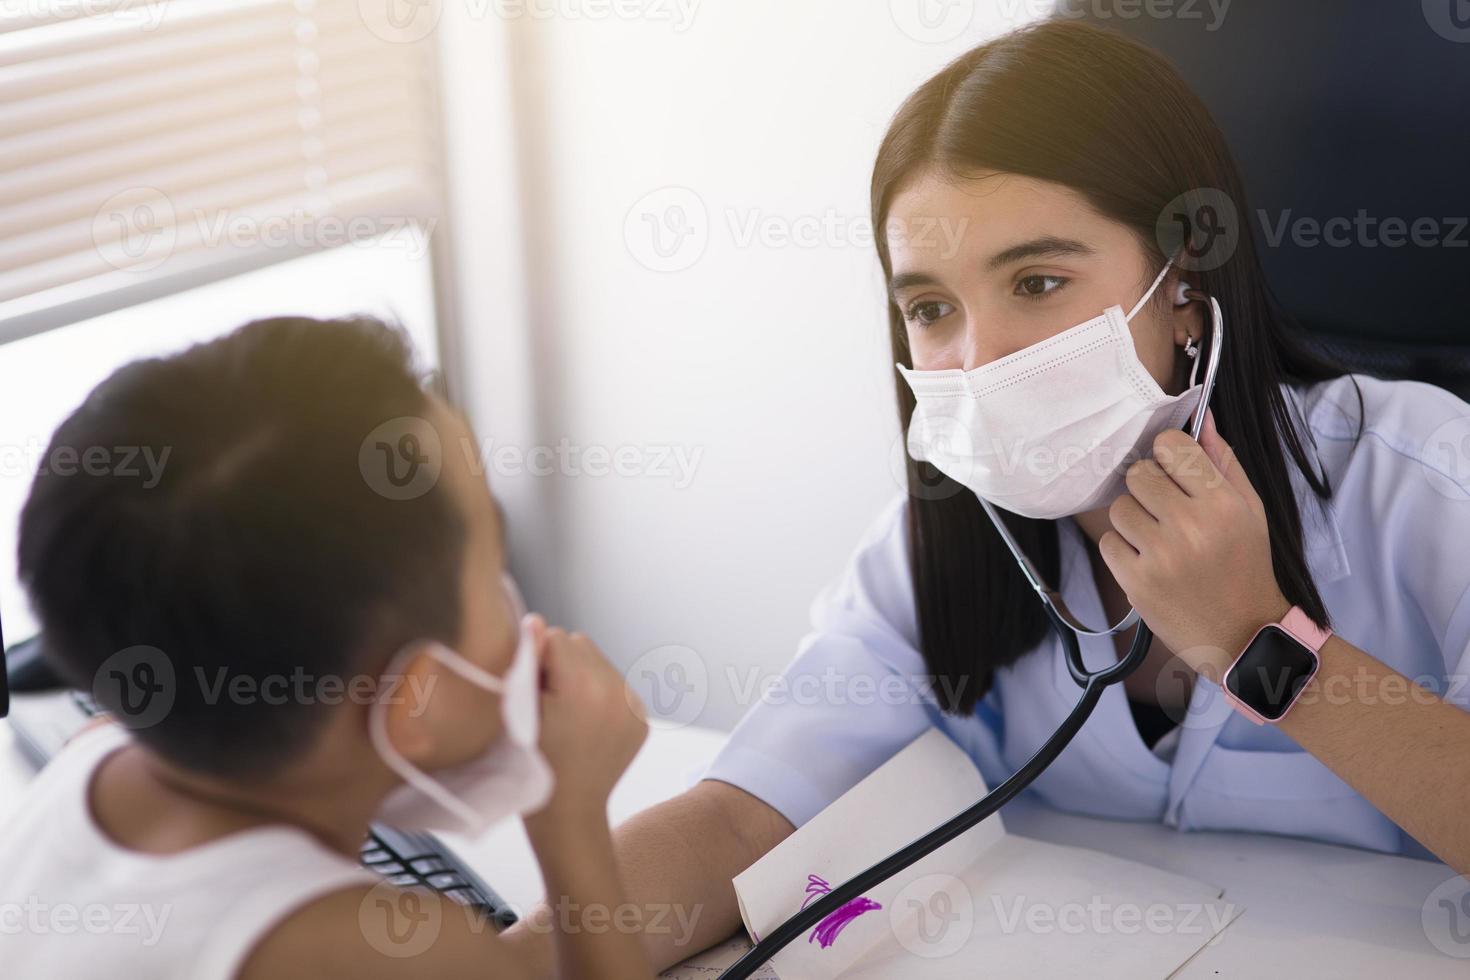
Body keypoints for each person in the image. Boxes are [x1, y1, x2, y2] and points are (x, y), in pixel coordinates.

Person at [499, 18, 1470, 976]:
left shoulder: (1429, 483)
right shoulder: (937, 547)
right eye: (930, 308)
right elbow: (739, 816)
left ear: (1181, 280)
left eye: (1038, 280)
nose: (979, 357)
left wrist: (1263, 641)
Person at [0, 315, 656, 979]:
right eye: (493, 568)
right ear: (413, 701)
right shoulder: (389, 955)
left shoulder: (92, 759)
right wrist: (569, 820)